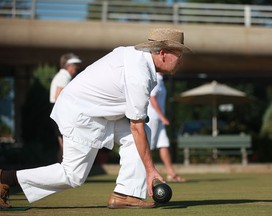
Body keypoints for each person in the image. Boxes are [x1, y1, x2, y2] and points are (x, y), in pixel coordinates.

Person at [0, 28, 191, 209]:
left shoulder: (134, 56)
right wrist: (151, 171)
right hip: (80, 113)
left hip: (96, 112)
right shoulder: (139, 74)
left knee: (139, 136)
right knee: (73, 175)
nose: (181, 60)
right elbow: (136, 127)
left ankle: (126, 194)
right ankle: (6, 179)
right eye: (179, 55)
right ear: (163, 53)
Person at [147, 73, 186, 182]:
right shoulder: (156, 79)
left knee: (164, 144)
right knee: (148, 146)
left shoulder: (160, 80)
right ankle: (145, 174)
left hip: (158, 119)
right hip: (153, 117)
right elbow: (152, 98)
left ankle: (171, 173)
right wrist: (162, 116)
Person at [50, 53, 82, 162]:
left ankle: (62, 172)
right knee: (65, 146)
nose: (76, 69)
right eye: (75, 66)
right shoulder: (64, 77)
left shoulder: (62, 76)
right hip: (59, 112)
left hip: (57, 111)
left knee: (64, 145)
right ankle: (61, 172)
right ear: (69, 66)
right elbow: (58, 96)